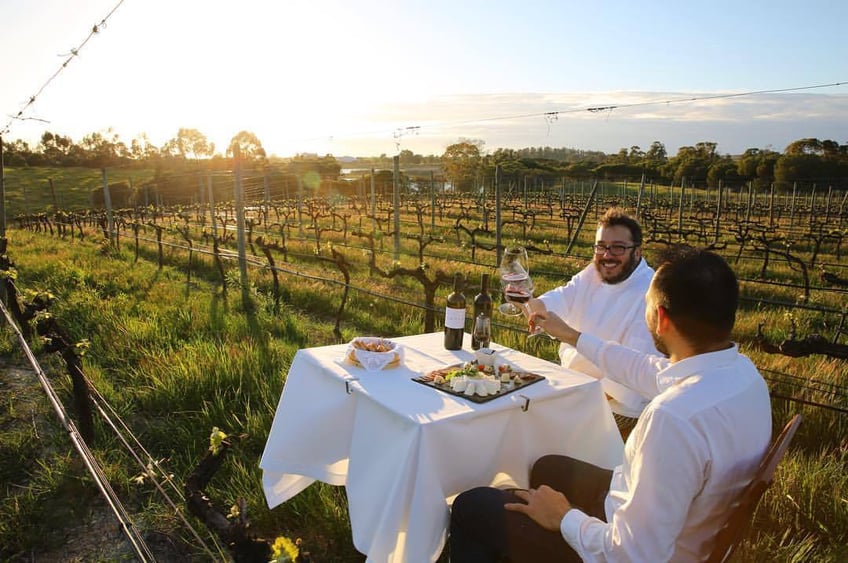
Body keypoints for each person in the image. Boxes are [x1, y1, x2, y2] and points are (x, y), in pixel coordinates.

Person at [449, 246, 772, 562]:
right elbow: (647, 369)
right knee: (549, 467)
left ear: (660, 319)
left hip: (638, 550)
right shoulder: (739, 374)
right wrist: (572, 335)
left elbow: (633, 554)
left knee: (472, 505)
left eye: (645, 303)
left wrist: (564, 518)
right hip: (688, 521)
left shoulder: (673, 418)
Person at [528, 207, 658, 424]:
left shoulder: (649, 294)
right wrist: (530, 303)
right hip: (574, 385)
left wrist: (565, 404)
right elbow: (557, 299)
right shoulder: (592, 274)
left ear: (637, 252)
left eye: (617, 248)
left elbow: (630, 382)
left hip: (617, 408)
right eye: (601, 247)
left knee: (533, 425)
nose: (607, 255)